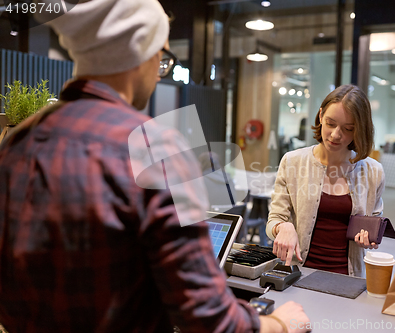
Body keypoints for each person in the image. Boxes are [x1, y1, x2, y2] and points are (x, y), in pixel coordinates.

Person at [0, 0, 309, 332]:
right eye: (163, 58)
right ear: (144, 55)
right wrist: (278, 323)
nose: (160, 70)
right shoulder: (153, 147)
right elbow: (210, 320)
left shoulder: (18, 141)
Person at [266, 84, 385, 277]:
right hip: (297, 275)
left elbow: (375, 225)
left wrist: (370, 238)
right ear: (320, 116)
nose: (336, 135)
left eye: (348, 128)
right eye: (330, 123)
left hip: (347, 279)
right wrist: (284, 227)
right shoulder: (292, 162)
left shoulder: (373, 172)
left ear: (359, 131)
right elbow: (273, 222)